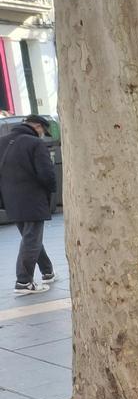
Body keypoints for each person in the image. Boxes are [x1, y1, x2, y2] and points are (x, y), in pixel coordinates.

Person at [0, 115, 57, 295]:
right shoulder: (35, 143)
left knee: (30, 237)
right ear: (38, 127)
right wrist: (51, 192)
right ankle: (23, 282)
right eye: (43, 131)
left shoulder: (2, 141)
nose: (42, 135)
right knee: (31, 239)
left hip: (11, 199)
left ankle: (47, 272)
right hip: (32, 198)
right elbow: (46, 174)